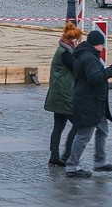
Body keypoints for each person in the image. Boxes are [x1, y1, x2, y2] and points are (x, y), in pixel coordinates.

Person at [64, 30, 112, 178]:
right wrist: (111, 70)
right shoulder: (89, 57)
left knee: (102, 130)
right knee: (84, 135)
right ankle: (72, 166)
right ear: (97, 44)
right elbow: (95, 78)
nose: (103, 46)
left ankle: (100, 162)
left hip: (96, 102)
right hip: (89, 103)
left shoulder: (87, 55)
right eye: (102, 43)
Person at [44, 22, 82, 167]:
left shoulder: (62, 50)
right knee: (79, 124)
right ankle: (66, 156)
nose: (79, 42)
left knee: (58, 127)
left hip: (57, 94)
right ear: (72, 40)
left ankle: (54, 156)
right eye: (77, 39)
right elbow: (78, 66)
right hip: (64, 95)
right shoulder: (66, 53)